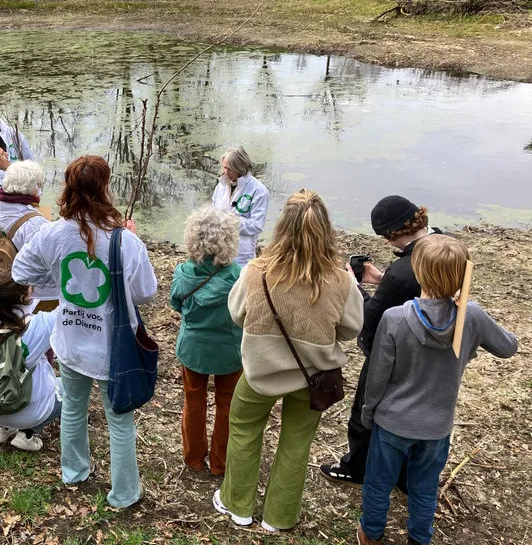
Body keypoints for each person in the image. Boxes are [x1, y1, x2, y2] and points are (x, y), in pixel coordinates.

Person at [212, 190, 363, 532]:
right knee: (296, 442)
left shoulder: (255, 271)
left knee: (244, 430)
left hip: (261, 372)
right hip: (313, 378)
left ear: (281, 228)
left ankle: (237, 504)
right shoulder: (340, 279)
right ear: (325, 230)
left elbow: (237, 314)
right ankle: (278, 517)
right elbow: (352, 328)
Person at [11, 155, 157, 508]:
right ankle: (123, 493)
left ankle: (74, 471)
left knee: (73, 409)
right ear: (106, 188)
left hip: (70, 341)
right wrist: (130, 245)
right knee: (119, 422)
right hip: (113, 349)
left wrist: (55, 286)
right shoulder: (124, 241)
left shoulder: (53, 232)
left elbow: (20, 271)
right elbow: (146, 292)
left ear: (68, 188)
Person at [357, 234, 517, 545]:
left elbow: (377, 377)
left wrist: (368, 413)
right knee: (425, 485)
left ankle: (371, 534)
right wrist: (471, 310)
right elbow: (509, 347)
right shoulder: (471, 315)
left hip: (392, 421)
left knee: (378, 482)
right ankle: (419, 538)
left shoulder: (395, 318)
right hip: (437, 425)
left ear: (418, 272)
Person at [321, 196, 446, 489]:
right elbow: (413, 284)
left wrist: (356, 290)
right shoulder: (446, 245)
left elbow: (372, 320)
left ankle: (357, 468)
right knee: (418, 414)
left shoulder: (404, 272)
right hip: (434, 351)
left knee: (365, 411)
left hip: (396, 352)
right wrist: (383, 278)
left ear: (393, 233)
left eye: (386, 237)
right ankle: (407, 478)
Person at [170, 207, 243, 476]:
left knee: (194, 402)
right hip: (229, 351)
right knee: (227, 406)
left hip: (194, 349)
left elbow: (176, 303)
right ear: (230, 240)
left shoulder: (183, 273)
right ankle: (220, 464)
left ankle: (193, 459)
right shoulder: (238, 277)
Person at [0, 271, 62, 452]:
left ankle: (3, 428)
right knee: (67, 388)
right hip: (27, 412)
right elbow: (68, 307)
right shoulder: (40, 325)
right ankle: (27, 433)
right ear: (25, 296)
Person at [0, 160, 58, 312]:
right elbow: (50, 263)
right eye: (39, 185)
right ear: (31, 188)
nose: (40, 189)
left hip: (4, 280)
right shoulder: (35, 223)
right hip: (34, 295)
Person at [211, 146, 269, 266]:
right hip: (218, 251)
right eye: (225, 167)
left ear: (240, 167)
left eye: (230, 169)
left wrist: (230, 221)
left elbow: (256, 226)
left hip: (242, 255)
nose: (226, 172)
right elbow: (212, 213)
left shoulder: (259, 191)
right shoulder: (220, 186)